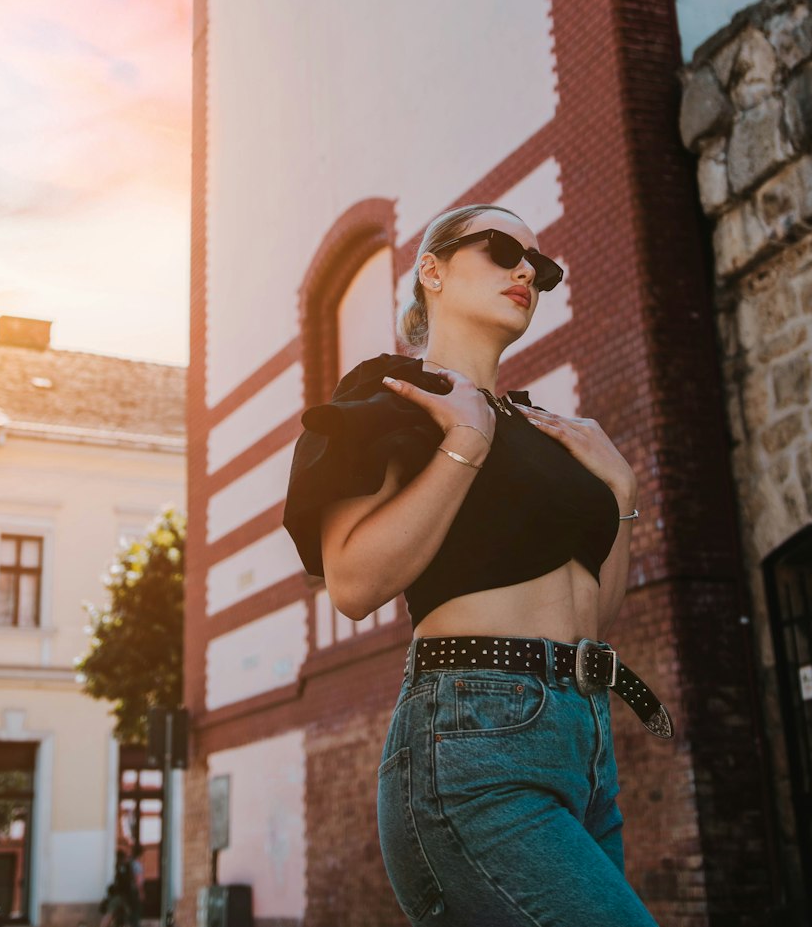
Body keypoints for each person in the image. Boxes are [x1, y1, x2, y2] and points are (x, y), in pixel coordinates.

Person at [284, 204, 673, 926]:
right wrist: (465, 439)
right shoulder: (393, 392)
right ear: (431, 269)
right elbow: (353, 583)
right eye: (500, 249)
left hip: (585, 740)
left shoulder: (548, 430)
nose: (527, 270)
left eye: (541, 267)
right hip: (473, 742)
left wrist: (621, 494)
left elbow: (596, 610)